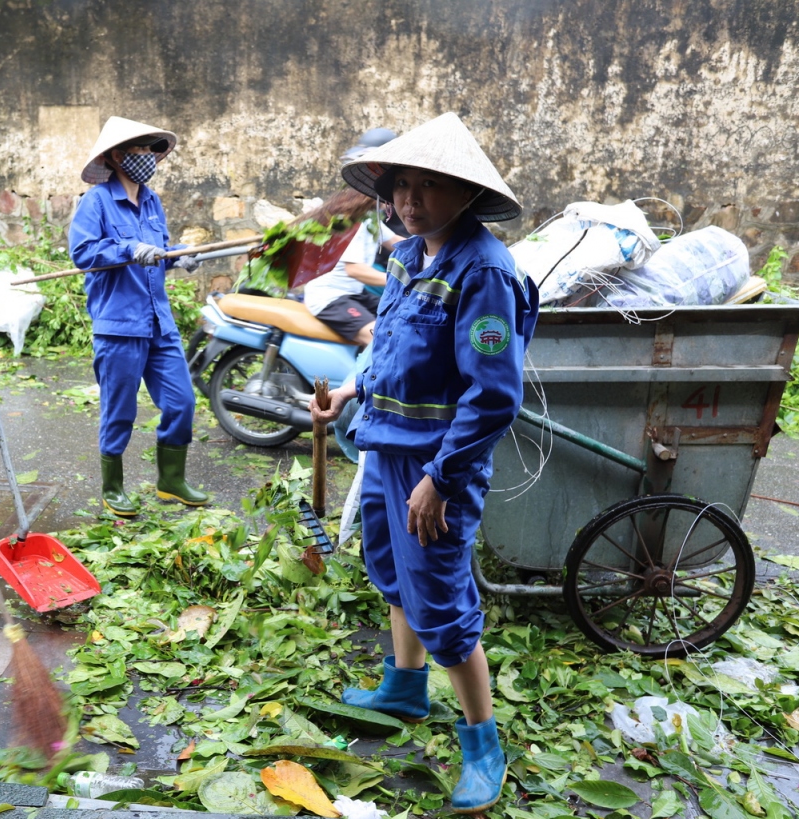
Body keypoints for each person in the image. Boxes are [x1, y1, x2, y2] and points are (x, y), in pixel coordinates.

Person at [310, 113, 539, 814]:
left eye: (430, 187)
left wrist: (440, 480)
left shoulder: (486, 273)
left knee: (441, 600)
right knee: (389, 567)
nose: (410, 201)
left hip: (438, 470)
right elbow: (393, 346)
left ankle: (483, 743)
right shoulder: (407, 255)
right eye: (402, 186)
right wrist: (351, 389)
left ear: (466, 194)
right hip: (385, 447)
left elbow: (494, 395)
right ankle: (404, 687)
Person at [68, 116, 209, 518]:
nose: (149, 157)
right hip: (118, 326)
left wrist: (179, 255)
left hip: (158, 324)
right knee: (120, 411)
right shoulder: (94, 202)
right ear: (116, 156)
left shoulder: (152, 200)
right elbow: (83, 254)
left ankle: (171, 481)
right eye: (141, 149)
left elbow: (157, 256)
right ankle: (112, 487)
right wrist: (127, 249)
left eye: (152, 149)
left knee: (182, 402)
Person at [301, 128, 403, 344]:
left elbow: (399, 244)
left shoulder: (369, 217)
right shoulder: (348, 219)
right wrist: (408, 280)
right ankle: (357, 379)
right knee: (385, 339)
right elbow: (355, 270)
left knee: (406, 320)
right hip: (332, 299)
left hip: (354, 294)